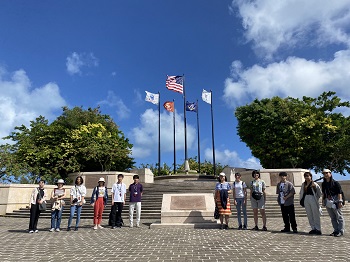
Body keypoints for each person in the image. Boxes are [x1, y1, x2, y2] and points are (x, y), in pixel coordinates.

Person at [322, 169, 345, 237]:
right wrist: (323, 201)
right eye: (324, 173)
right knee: (332, 217)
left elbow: (339, 192)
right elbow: (324, 193)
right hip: (328, 201)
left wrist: (340, 201)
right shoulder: (324, 183)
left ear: (330, 174)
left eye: (327, 173)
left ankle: (341, 230)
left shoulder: (335, 183)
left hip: (335, 200)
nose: (325, 175)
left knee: (339, 216)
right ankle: (336, 230)